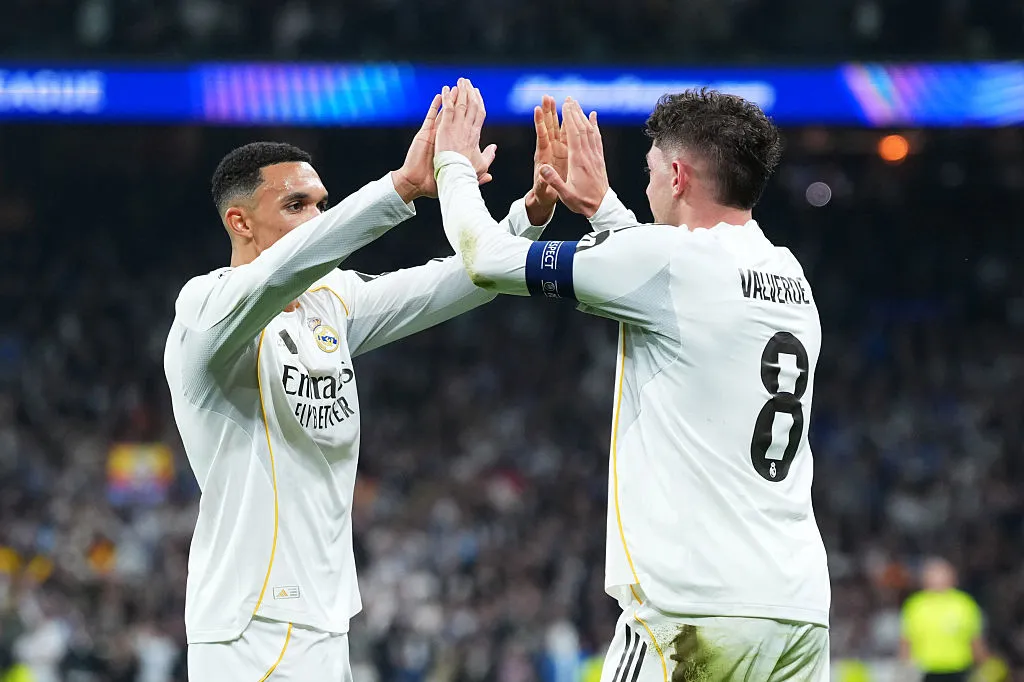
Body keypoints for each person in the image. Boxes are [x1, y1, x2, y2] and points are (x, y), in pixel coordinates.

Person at [433, 79, 830, 681]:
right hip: (796, 609)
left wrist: (453, 166)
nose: (644, 189)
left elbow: (486, 259)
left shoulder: (669, 263)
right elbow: (666, 281)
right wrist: (602, 208)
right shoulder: (789, 275)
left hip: (694, 608)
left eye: (648, 174)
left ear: (677, 177)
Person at [163, 91, 567, 680]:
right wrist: (403, 185)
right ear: (240, 221)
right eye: (296, 205)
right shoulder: (206, 309)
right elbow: (284, 269)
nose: (317, 219)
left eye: (322, 205)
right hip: (249, 627)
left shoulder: (333, 301)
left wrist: (522, 221)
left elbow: (442, 287)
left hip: (327, 621)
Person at [900, 558, 987, 682]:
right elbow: (906, 640)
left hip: (959, 668)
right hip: (927, 670)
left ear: (952, 577)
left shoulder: (965, 604)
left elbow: (975, 639)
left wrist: (983, 665)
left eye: (942, 573)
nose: (937, 579)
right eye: (933, 574)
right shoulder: (915, 605)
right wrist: (906, 670)